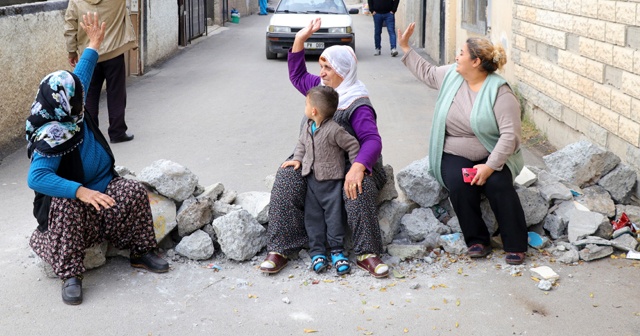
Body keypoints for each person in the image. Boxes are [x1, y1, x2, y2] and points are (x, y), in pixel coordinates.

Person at [26, 12, 169, 306]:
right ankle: (71, 275)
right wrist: (80, 191)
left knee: (132, 191)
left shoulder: (70, 104)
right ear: (65, 105)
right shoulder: (52, 133)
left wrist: (94, 43)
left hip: (102, 192)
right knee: (65, 206)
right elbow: (36, 177)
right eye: (78, 99)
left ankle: (141, 253)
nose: (84, 99)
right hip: (75, 206)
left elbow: (83, 74)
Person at [260, 18, 390, 278]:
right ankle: (280, 249)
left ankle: (367, 253)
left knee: (357, 187)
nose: (321, 73)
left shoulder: (357, 102)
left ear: (342, 70)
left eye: (327, 67)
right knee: (286, 179)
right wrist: (299, 39)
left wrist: (358, 167)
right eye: (320, 66)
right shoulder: (322, 91)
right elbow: (297, 75)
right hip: (313, 159)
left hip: (349, 162)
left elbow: (372, 141)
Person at [397, 23, 528, 265]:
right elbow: (427, 72)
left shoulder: (499, 92)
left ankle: (516, 244)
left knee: (499, 184)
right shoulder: (452, 76)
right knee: (459, 183)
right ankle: (477, 241)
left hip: (493, 153)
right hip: (454, 151)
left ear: (476, 62)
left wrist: (489, 167)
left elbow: (510, 136)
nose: (456, 57)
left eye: (461, 53)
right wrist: (405, 47)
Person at [282, 86, 360, 275]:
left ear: (314, 110)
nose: (305, 107)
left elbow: (353, 144)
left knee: (334, 219)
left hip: (332, 183)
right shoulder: (309, 126)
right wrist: (297, 159)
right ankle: (317, 253)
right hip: (312, 182)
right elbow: (301, 144)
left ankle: (337, 252)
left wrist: (356, 165)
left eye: (306, 104)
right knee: (313, 219)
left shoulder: (334, 130)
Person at [64, 0, 137, 144]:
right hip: (114, 53)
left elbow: (70, 25)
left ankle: (92, 136)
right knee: (116, 93)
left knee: (90, 95)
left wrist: (71, 51)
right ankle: (117, 132)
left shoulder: (76, 1)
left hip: (90, 53)